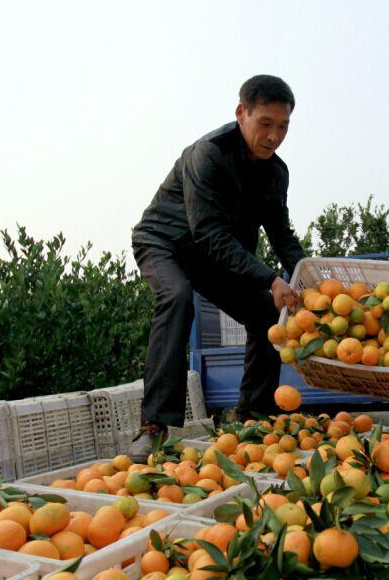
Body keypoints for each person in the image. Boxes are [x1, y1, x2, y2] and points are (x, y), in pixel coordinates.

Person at [128, 75, 305, 462]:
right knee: (176, 299)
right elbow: (209, 234)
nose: (274, 136)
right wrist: (269, 277)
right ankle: (153, 426)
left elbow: (281, 234)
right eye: (266, 124)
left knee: (268, 313)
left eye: (283, 126)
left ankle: (253, 417)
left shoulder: (276, 173)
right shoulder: (208, 154)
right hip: (166, 243)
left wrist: (312, 276)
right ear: (242, 113)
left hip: (213, 256)